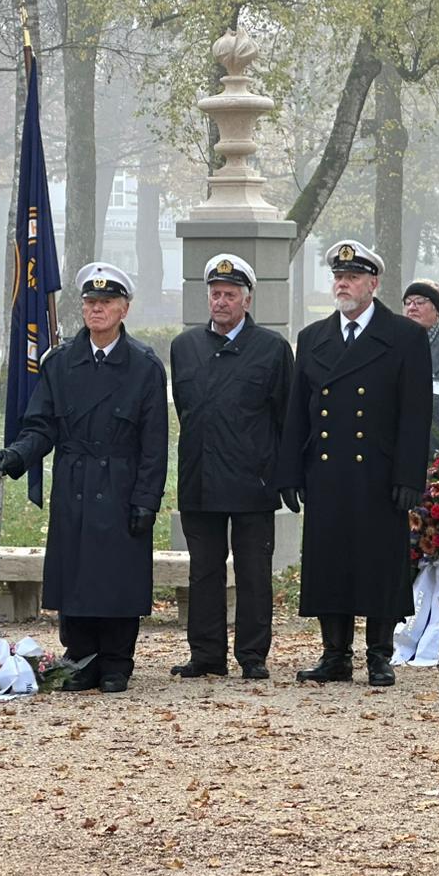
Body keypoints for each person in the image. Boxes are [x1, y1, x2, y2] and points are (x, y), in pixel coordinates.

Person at [0, 263, 169, 694]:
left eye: (107, 302)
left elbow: (154, 444)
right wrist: (16, 456)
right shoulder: (62, 363)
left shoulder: (144, 366)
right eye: (91, 302)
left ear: (124, 308)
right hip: (74, 480)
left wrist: (146, 498)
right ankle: (80, 656)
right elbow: (42, 426)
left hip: (120, 482)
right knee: (75, 572)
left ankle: (115, 661)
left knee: (116, 575)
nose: (97, 309)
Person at [276, 241, 431, 688]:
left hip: (379, 474)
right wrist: (290, 471)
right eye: (338, 277)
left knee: (379, 563)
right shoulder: (313, 337)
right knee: (330, 561)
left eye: (353, 277)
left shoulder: (404, 336)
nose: (342, 284)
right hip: (326, 472)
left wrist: (408, 476)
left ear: (373, 283)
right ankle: (334, 654)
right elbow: (297, 414)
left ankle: (379, 655)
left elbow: (415, 415)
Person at [169, 253, 293, 680]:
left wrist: (283, 475)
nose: (220, 302)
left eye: (230, 294)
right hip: (199, 478)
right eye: (215, 294)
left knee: (253, 571)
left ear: (247, 299)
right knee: (203, 571)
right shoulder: (184, 347)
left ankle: (253, 654)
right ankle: (206, 654)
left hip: (252, 480)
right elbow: (187, 410)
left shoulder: (272, 349)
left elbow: (285, 418)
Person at [403, 280, 439, 455]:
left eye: (420, 302)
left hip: (438, 459)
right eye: (407, 302)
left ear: (437, 310)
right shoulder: (392, 347)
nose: (412, 307)